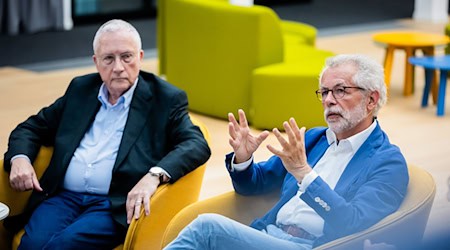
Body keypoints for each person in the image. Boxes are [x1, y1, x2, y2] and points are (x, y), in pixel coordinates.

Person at [164, 54, 409, 250]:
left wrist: (305, 174)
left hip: (312, 245)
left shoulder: (388, 162)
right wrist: (243, 158)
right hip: (268, 235)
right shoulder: (314, 138)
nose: (329, 100)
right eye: (324, 92)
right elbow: (253, 185)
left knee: (207, 228)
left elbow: (352, 221)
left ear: (371, 100)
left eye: (341, 90)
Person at [3, 19, 211, 249]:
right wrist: (20, 158)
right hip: (63, 197)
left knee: (64, 245)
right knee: (32, 244)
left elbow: (196, 143)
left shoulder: (166, 99)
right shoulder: (80, 90)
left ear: (140, 57)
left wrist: (154, 175)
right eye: (109, 58)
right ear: (96, 62)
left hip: (113, 204)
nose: (119, 67)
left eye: (127, 57)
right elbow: (32, 127)